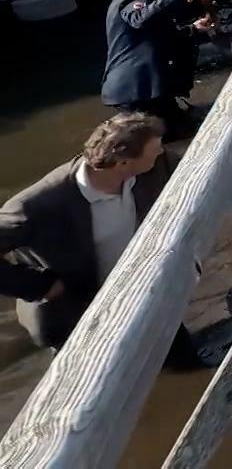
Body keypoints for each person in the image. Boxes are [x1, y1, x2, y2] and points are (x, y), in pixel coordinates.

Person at [0, 113, 203, 367]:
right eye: (154, 149)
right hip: (76, 315)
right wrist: (40, 286)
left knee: (185, 364)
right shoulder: (37, 205)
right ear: (123, 163)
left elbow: (206, 173)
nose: (162, 151)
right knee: (93, 387)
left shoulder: (154, 167)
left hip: (140, 293)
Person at [101, 0, 213, 140]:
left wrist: (194, 29)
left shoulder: (130, 3)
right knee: (165, 137)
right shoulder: (131, 1)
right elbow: (140, 18)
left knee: (177, 131)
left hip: (141, 90)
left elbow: (159, 38)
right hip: (139, 91)